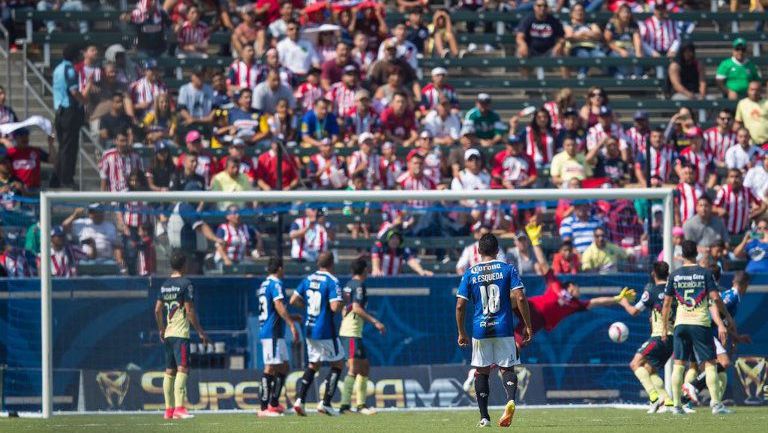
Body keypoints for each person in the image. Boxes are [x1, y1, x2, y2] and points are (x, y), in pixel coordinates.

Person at [455, 233, 532, 428]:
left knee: (481, 372)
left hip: (480, 330)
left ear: (479, 251)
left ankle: (484, 418)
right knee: (507, 368)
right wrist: (528, 325)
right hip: (504, 327)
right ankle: (511, 399)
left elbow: (459, 306)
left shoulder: (470, 273)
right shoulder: (508, 269)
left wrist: (461, 332)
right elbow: (521, 298)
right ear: (498, 251)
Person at [660, 240, 731, 415]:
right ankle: (716, 404)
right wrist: (725, 316)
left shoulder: (674, 275)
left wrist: (663, 328)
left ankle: (676, 405)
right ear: (696, 254)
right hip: (700, 323)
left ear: (682, 254)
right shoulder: (704, 273)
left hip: (681, 324)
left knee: (679, 365)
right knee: (710, 364)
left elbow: (667, 304)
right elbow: (715, 297)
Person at [154, 250, 210, 420]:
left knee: (169, 371)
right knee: (182, 368)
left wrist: (161, 329)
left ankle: (168, 410)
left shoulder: (164, 285)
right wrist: (200, 331)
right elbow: (189, 310)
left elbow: (157, 309)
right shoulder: (186, 284)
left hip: (169, 333)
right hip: (180, 333)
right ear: (184, 265)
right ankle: (179, 408)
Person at [290, 252, 345, 416]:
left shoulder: (308, 279)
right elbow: (335, 307)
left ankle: (300, 400)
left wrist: (309, 307)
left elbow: (293, 300)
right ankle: (326, 403)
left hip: (309, 328)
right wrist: (343, 302)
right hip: (325, 330)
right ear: (332, 264)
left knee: (314, 364)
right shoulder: (332, 281)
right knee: (338, 364)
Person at [617, 261, 675, 413]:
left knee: (635, 364)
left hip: (658, 337)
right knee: (650, 370)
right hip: (672, 339)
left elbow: (634, 312)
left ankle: (654, 397)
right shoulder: (673, 290)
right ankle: (667, 401)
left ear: (653, 274)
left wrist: (623, 302)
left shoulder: (651, 290)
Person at [338, 258, 386, 415]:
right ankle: (345, 406)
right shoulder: (359, 286)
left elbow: (346, 307)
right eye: (367, 268)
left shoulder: (348, 285)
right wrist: (375, 322)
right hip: (350, 332)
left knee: (364, 367)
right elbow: (357, 308)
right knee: (353, 368)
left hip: (351, 331)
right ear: (364, 269)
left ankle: (360, 405)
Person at [256, 256, 300, 417]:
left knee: (284, 366)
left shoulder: (264, 284)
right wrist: (291, 324)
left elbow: (273, 310)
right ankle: (263, 408)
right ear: (280, 268)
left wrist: (292, 318)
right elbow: (278, 305)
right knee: (270, 367)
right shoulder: (276, 284)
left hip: (274, 331)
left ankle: (274, 403)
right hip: (272, 332)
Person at [51, 44, 86, 189]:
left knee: (63, 147)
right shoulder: (70, 70)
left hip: (59, 111)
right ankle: (67, 179)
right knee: (70, 147)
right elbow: (73, 91)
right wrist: (85, 101)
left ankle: (56, 178)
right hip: (69, 111)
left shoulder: (58, 68)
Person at [515, 1, 566, 79]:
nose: (542, 8)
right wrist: (523, 44)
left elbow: (562, 37)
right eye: (539, 6)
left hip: (549, 51)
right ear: (534, 7)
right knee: (520, 52)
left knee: (563, 53)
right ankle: (526, 83)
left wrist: (559, 45)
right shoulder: (528, 19)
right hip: (531, 51)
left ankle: (565, 86)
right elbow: (519, 37)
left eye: (545, 6)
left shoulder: (553, 20)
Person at [713, 168, 766, 235]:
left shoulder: (748, 191)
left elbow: (763, 205)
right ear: (727, 179)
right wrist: (719, 210)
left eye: (737, 177)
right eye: (731, 177)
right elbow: (713, 208)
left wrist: (752, 216)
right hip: (725, 232)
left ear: (742, 178)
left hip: (742, 232)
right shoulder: (723, 191)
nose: (734, 180)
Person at [5, 128, 54, 192]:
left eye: (26, 136)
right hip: (15, 189)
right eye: (21, 136)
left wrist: (51, 144)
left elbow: (52, 160)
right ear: (15, 138)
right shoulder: (10, 152)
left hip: (34, 189)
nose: (24, 138)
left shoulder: (36, 151)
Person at [734, 81, 768, 145]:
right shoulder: (742, 104)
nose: (754, 92)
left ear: (761, 91)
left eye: (757, 90)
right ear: (748, 90)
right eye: (752, 90)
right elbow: (738, 122)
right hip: (749, 144)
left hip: (766, 143)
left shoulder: (766, 103)